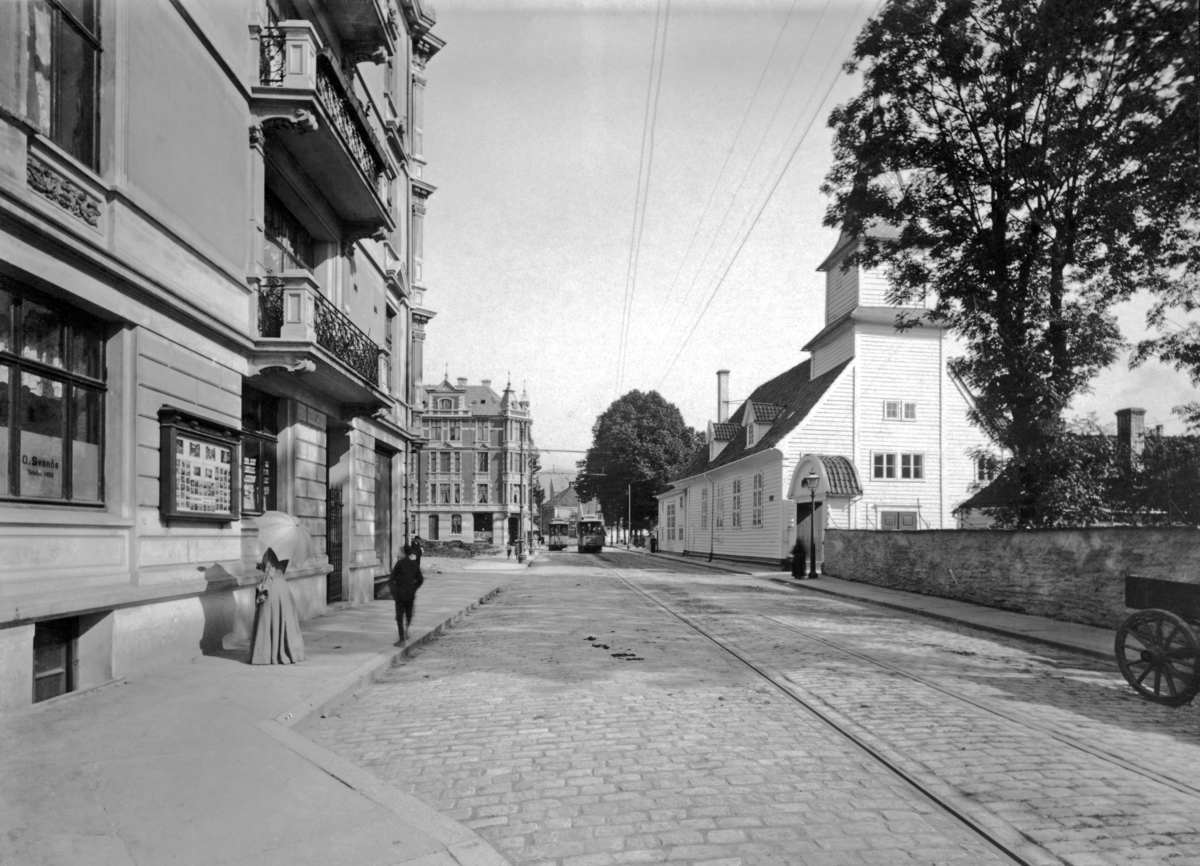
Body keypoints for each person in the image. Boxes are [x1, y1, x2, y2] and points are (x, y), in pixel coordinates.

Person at [250, 548, 305, 665]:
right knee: (285, 622)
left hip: (273, 587)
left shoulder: (272, 550)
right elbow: (278, 568)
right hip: (283, 587)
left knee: (268, 619)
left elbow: (270, 573)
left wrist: (262, 588)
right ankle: (287, 652)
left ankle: (269, 655)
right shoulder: (286, 550)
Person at [388, 544, 424, 645]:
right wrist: (414, 587)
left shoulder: (400, 564)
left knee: (400, 616)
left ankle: (402, 639)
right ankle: (406, 631)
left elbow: (391, 579)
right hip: (410, 593)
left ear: (403, 552)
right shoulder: (414, 564)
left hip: (400, 593)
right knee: (408, 613)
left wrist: (394, 591)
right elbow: (420, 579)